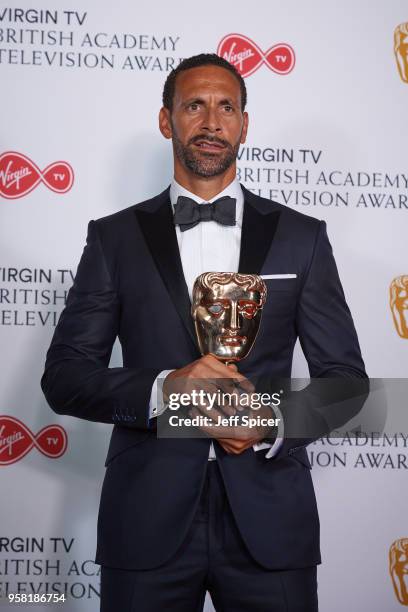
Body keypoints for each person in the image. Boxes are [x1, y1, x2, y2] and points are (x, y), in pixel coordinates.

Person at [42, 53, 367, 611]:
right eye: (195, 105)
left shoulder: (303, 237)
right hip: (145, 518)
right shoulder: (114, 238)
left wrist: (268, 421)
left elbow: (348, 385)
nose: (212, 122)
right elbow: (66, 378)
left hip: (271, 520)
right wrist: (165, 391)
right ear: (167, 121)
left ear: (244, 123)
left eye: (227, 107)